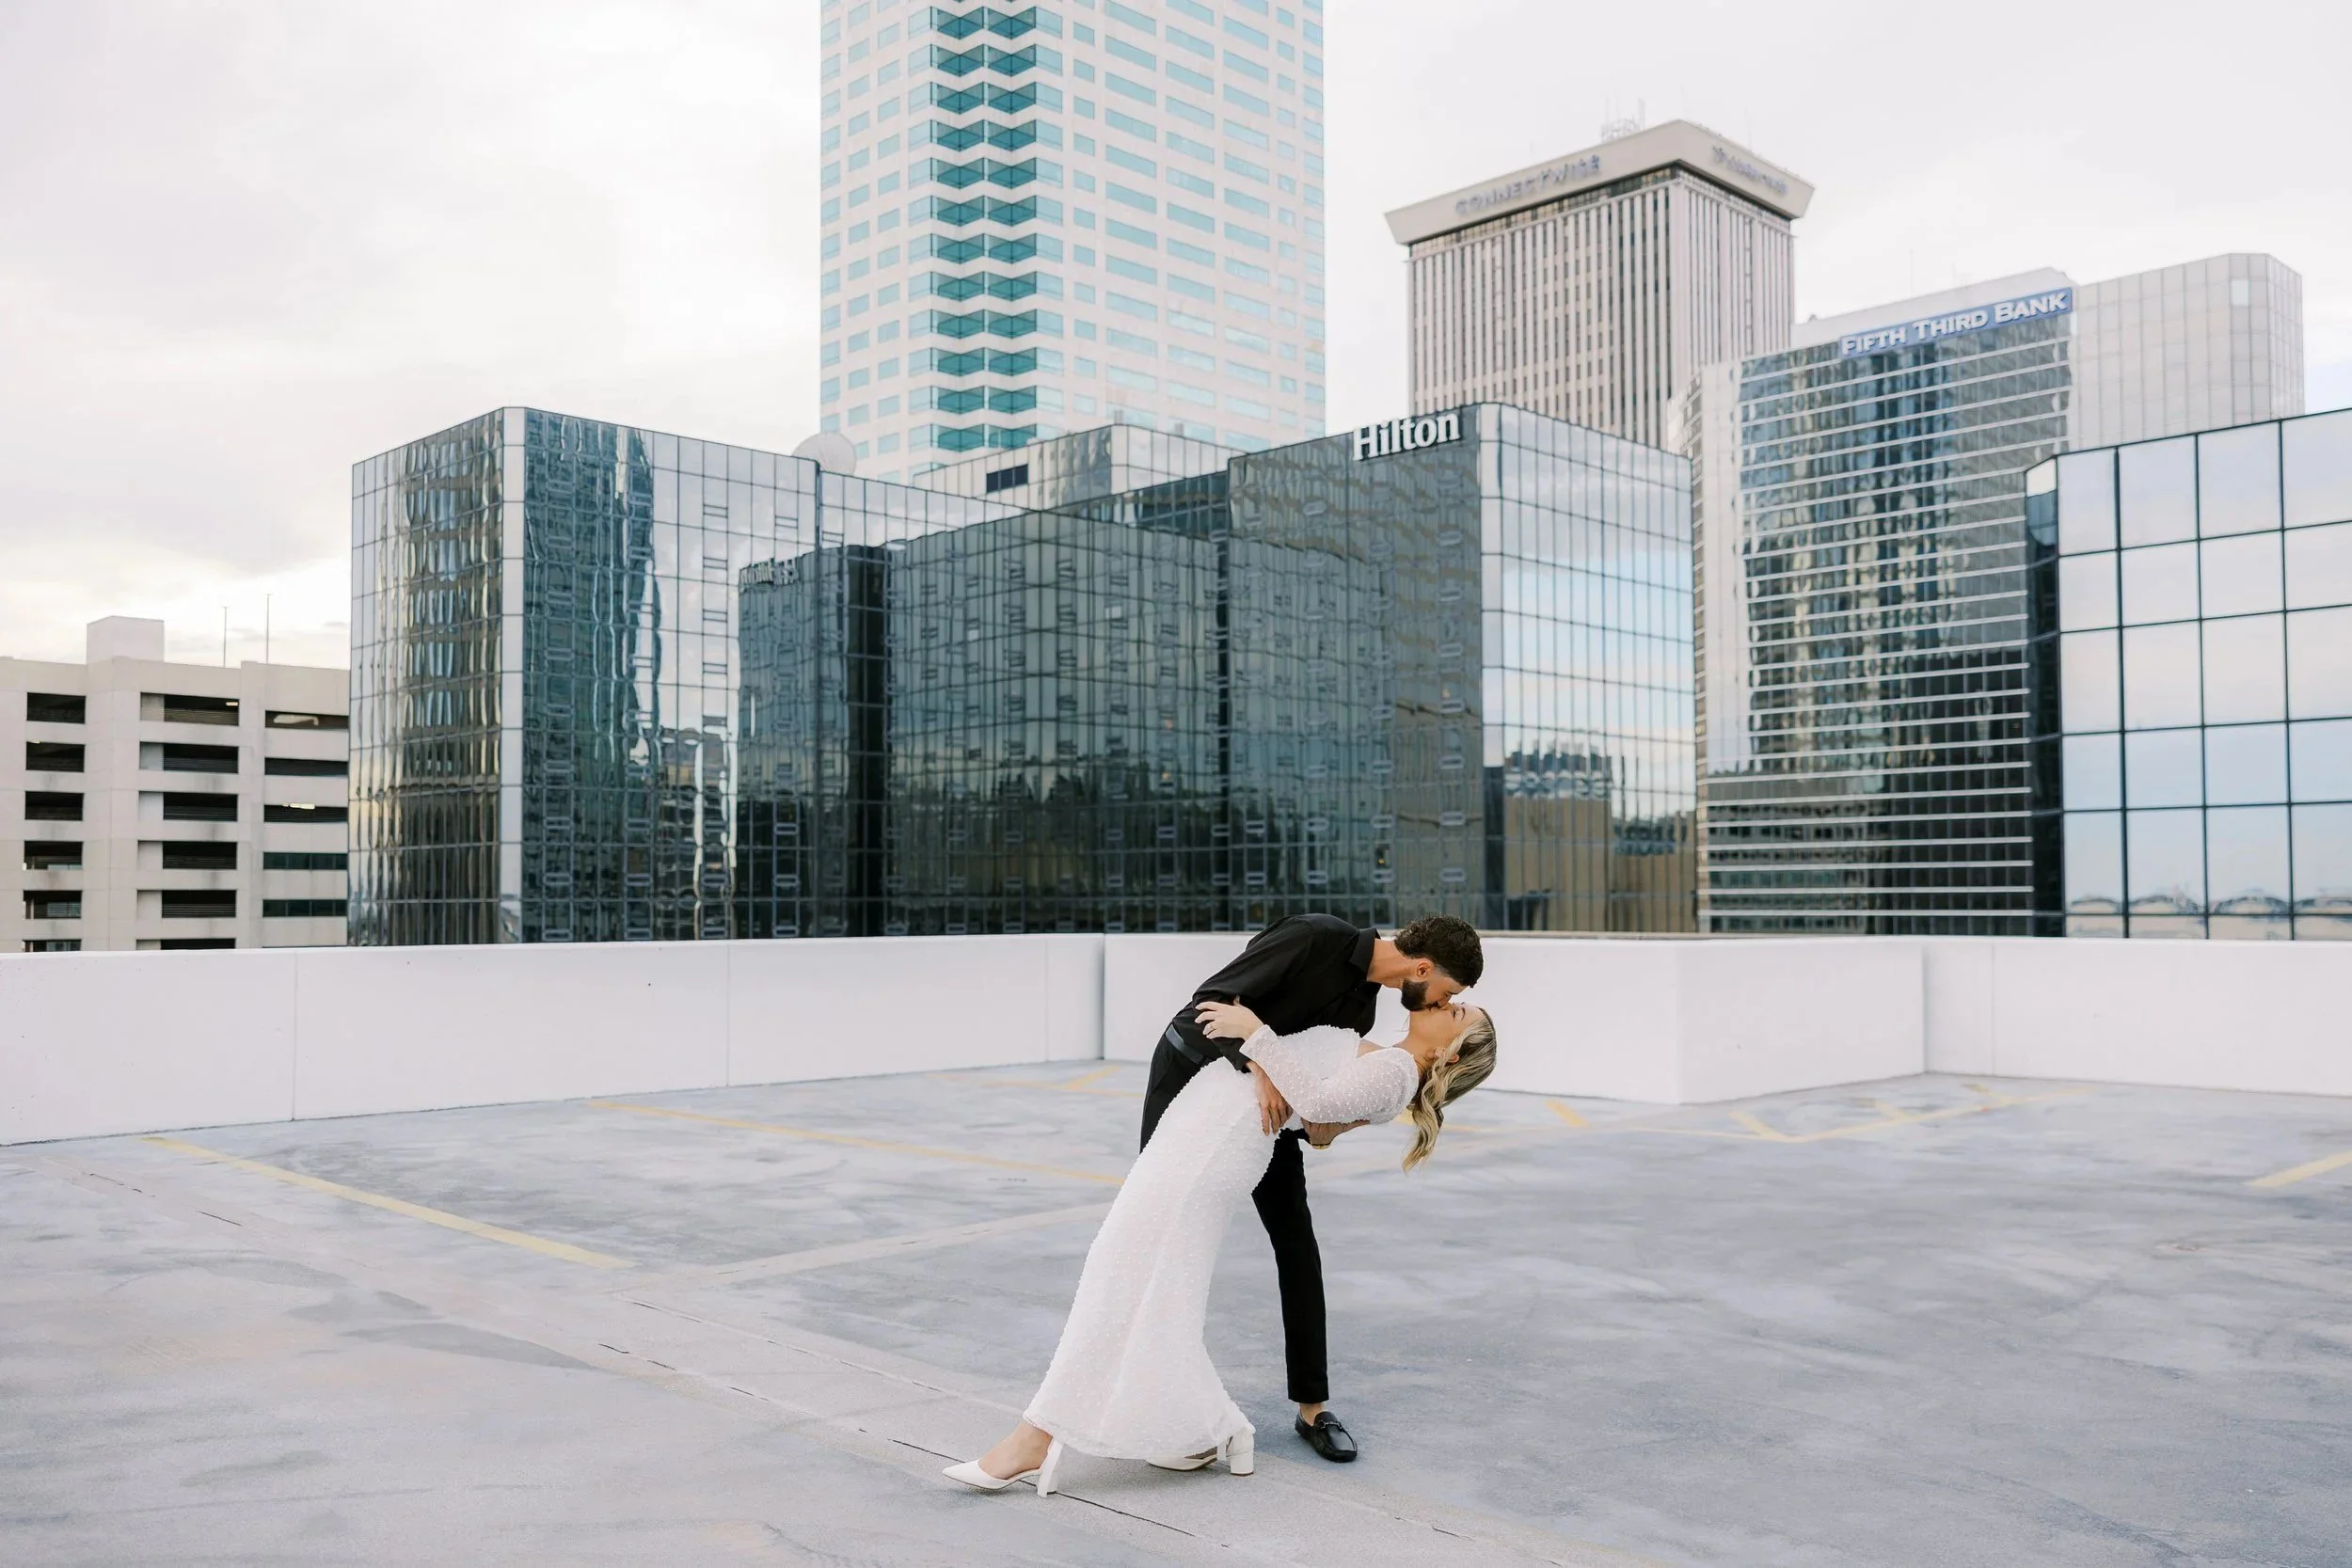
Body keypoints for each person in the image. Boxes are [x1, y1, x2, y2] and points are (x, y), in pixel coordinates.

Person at [944, 995, 1499, 1495]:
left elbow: (1317, 1102)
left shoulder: (1399, 1071)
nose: (1446, 1003)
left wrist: (1255, 1034)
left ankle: (1033, 1440)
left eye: (1456, 1013)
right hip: (1202, 1126)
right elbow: (1322, 1116)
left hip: (1218, 1145)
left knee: (1121, 1272)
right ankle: (1209, 1430)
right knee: (1154, 1287)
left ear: (1450, 1055)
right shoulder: (1389, 1059)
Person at [1143, 913, 1484, 1463]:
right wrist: (1262, 1070)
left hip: (1266, 1120)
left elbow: (1322, 1083)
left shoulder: (1364, 1004)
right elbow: (1209, 1004)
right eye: (1447, 993)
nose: (1440, 1004)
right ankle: (1168, 1401)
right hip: (1190, 1081)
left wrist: (1333, 1127)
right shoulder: (1312, 938)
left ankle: (1313, 1409)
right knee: (1164, 1236)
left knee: (1297, 1246)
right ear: (1423, 967)